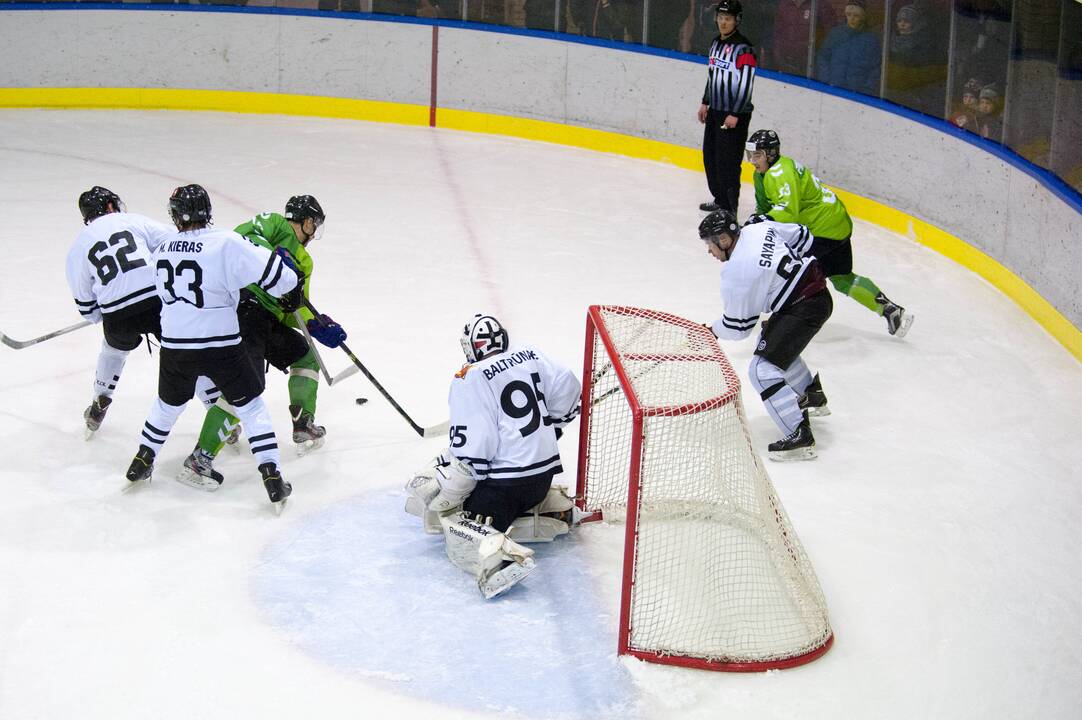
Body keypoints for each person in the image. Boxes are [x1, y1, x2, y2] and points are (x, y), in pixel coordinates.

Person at [124, 184, 304, 511]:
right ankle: (272, 477)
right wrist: (292, 287)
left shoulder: (162, 248)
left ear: (175, 216)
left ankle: (142, 459)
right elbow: (282, 279)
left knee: (167, 406)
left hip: (176, 345)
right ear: (207, 211)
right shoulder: (225, 242)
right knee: (250, 407)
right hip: (221, 345)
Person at [404, 314, 582, 599]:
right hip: (541, 479)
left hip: (505, 489)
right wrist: (555, 425)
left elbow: (474, 451)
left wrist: (451, 490)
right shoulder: (531, 355)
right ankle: (552, 508)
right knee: (509, 492)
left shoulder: (470, 377)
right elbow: (568, 386)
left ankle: (500, 559)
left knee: (453, 517)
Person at [178, 195, 346, 489]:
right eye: (314, 224)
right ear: (306, 221)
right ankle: (200, 458)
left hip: (266, 320)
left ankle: (303, 424)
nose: (313, 232)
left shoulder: (305, 261)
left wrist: (315, 324)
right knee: (243, 386)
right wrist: (272, 257)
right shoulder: (275, 223)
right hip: (241, 309)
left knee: (304, 356)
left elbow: (293, 307)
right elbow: (242, 236)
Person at [747, 129, 914, 337]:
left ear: (771, 154)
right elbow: (764, 208)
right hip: (837, 222)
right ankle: (889, 309)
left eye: (757, 155)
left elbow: (788, 212)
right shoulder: (764, 173)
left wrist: (762, 222)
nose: (752, 160)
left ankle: (780, 322)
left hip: (822, 230)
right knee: (842, 278)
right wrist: (759, 219)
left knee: (793, 274)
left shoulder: (779, 173)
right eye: (750, 155)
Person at [699, 211, 831, 461]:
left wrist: (712, 331)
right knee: (771, 340)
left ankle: (799, 434)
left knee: (761, 370)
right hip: (818, 295)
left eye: (710, 244)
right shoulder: (757, 228)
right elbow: (803, 236)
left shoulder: (737, 273)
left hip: (802, 307)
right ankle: (810, 394)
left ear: (724, 240)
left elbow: (738, 327)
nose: (709, 251)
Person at [65, 186, 175, 438]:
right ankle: (217, 409)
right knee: (183, 354)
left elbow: (85, 301)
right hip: (156, 302)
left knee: (113, 349)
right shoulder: (132, 220)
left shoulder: (79, 245)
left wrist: (98, 312)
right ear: (111, 207)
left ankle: (100, 400)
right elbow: (174, 241)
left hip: (117, 315)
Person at [697, 0, 757, 213]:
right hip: (715, 111)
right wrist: (705, 101)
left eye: (728, 19)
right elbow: (712, 75)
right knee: (711, 157)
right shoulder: (715, 43)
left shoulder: (744, 48)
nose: (723, 22)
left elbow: (746, 83)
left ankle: (730, 209)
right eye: (721, 18)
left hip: (733, 115)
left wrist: (735, 113)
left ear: (736, 20)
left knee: (728, 162)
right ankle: (719, 199)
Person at [815, 0, 881, 96]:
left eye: (856, 16)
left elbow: (875, 69)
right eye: (849, 15)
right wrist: (826, 80)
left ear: (863, 17)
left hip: (858, 93)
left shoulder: (871, 40)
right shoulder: (836, 34)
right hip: (833, 88)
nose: (851, 19)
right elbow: (823, 57)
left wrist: (867, 90)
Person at [771, 0, 835, 77]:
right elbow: (777, 31)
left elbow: (831, 35)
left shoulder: (820, 4)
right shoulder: (784, 3)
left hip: (809, 67)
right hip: (785, 63)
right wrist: (777, 54)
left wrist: (817, 57)